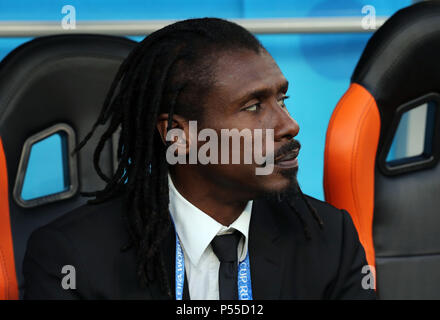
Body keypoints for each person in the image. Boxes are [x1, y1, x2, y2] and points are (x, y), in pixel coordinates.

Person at [23, 18, 376, 300]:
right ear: (179, 134)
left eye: (282, 100)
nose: (289, 125)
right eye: (254, 107)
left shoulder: (330, 237)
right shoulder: (71, 256)